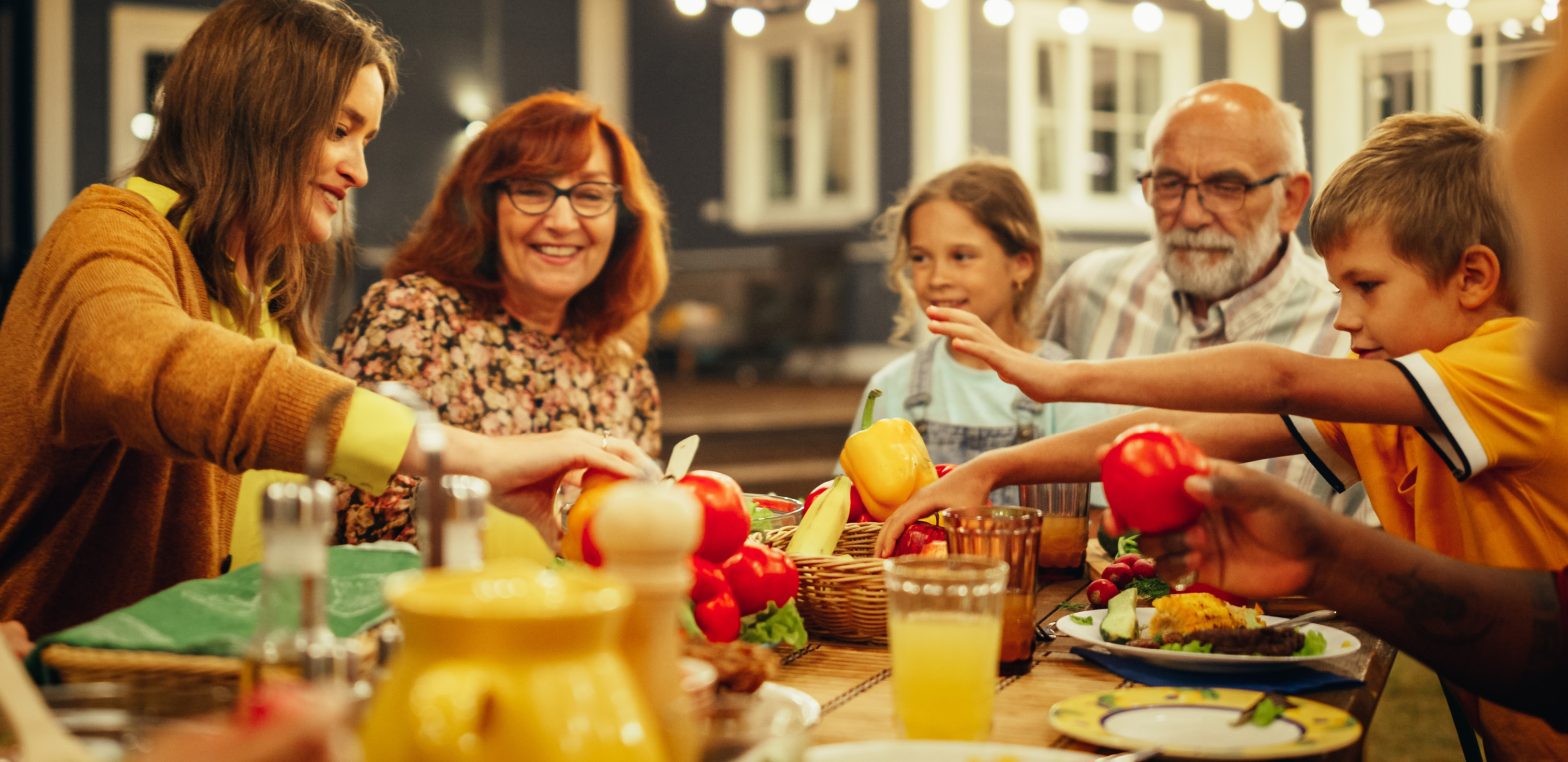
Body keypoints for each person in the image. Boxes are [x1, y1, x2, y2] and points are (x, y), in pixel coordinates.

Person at [881, 112, 1568, 757]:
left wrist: (1061, 378)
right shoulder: (1398, 407)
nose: (1346, 320)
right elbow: (1184, 432)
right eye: (1339, 291)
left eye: (1367, 286)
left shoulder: (1510, 364)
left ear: (1474, 277)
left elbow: (1281, 378)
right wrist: (997, 468)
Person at [0, 0, 645, 637]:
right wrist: (461, 455)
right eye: (339, 130)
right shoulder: (106, 234)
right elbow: (158, 366)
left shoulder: (266, 292)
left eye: (364, 139)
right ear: (253, 113)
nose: (359, 171)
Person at [318, 91, 667, 551]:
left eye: (590, 194)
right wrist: (497, 498)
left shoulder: (625, 373)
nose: (562, 220)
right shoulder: (413, 317)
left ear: (621, 221)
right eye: (532, 190)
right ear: (483, 207)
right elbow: (351, 518)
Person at [1039, 80, 1362, 518]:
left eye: (1227, 187)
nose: (1190, 215)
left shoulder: (1348, 330)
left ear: (1290, 200)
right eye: (1169, 183)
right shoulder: (1090, 292)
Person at [851, 159, 1106, 505]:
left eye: (961, 256)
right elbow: (858, 512)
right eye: (921, 258)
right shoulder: (893, 388)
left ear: (1021, 264)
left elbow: (1089, 526)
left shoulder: (1068, 388)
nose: (937, 277)